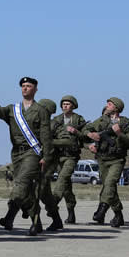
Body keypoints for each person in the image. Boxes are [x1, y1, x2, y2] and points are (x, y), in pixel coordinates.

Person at [0, 77, 53, 236]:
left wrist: (46, 157)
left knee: (20, 186)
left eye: (29, 86)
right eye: (23, 86)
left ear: (35, 89)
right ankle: (37, 222)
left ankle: (10, 216)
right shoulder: (13, 109)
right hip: (16, 154)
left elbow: (46, 136)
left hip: (32, 153)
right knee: (26, 191)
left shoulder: (41, 110)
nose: (25, 88)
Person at [83, 97, 129, 227]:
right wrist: (90, 136)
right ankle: (118, 214)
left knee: (110, 183)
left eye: (110, 104)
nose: (107, 105)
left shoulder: (125, 122)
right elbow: (86, 129)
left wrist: (120, 133)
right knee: (108, 187)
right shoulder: (101, 120)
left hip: (117, 159)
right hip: (102, 159)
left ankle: (101, 210)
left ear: (116, 108)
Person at [51, 95, 88, 224]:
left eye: (68, 104)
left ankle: (53, 202)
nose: (65, 106)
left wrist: (76, 132)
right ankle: (71, 212)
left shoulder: (78, 119)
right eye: (63, 104)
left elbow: (86, 137)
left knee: (62, 179)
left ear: (73, 106)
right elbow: (49, 134)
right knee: (66, 186)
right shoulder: (56, 120)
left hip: (71, 156)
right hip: (58, 156)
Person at [34, 98, 63, 231]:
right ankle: (56, 220)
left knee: (37, 191)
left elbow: (67, 141)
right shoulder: (37, 123)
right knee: (45, 194)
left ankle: (36, 222)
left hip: (48, 161)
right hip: (36, 160)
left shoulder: (54, 125)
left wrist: (50, 142)